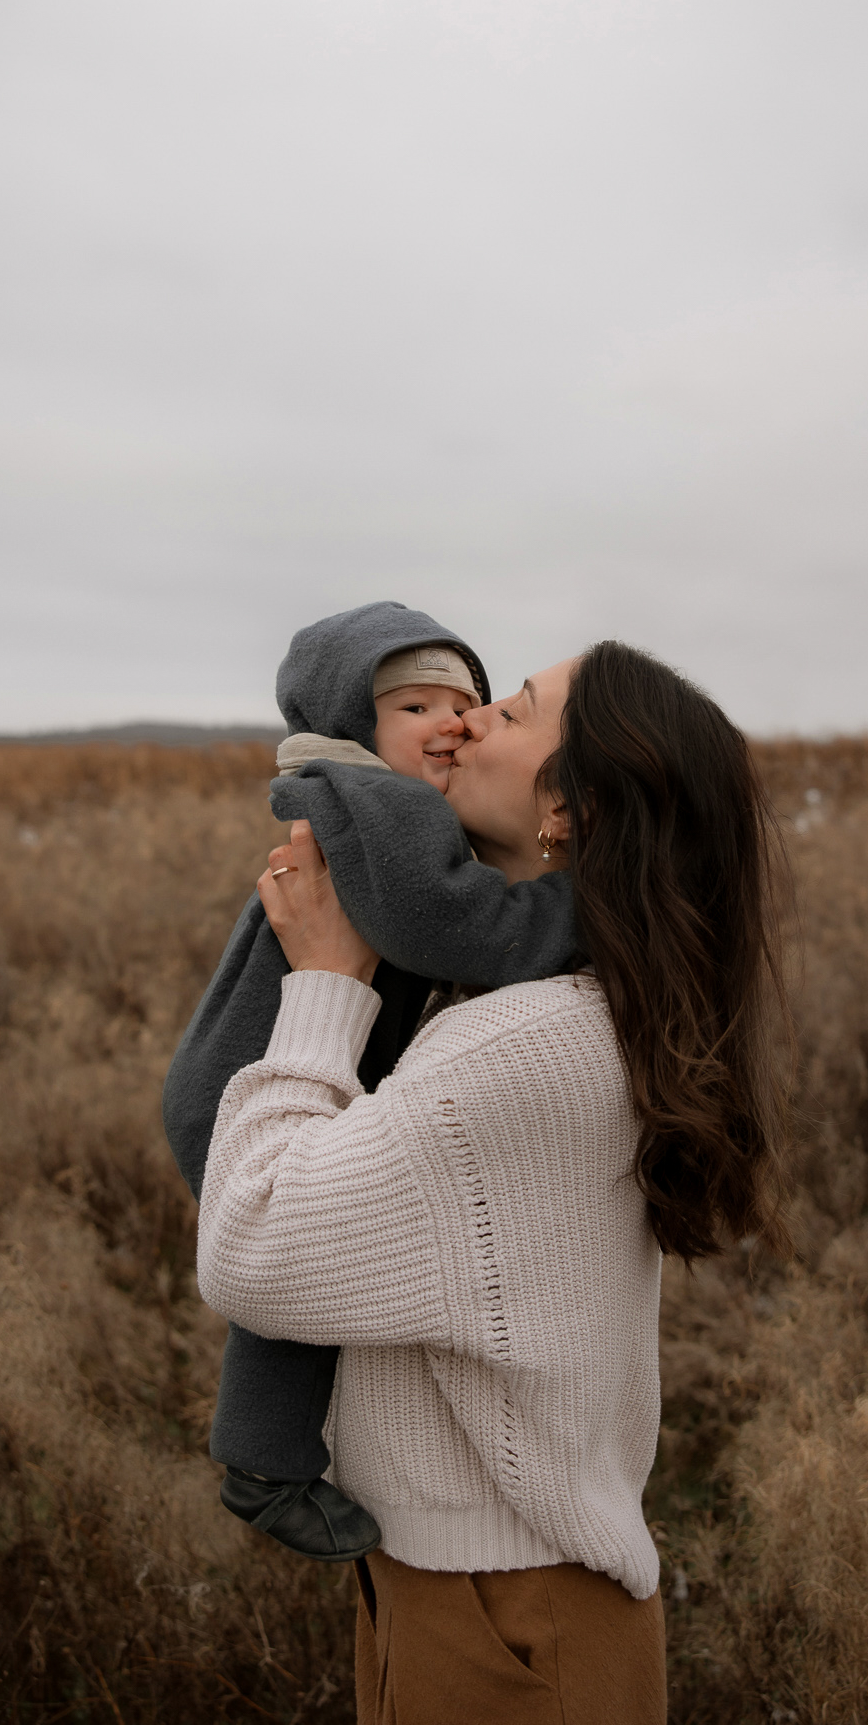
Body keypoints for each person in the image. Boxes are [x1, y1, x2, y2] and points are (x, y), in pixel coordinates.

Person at [197, 640, 794, 1724]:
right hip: (474, 1594)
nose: (466, 720)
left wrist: (325, 986)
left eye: (511, 711)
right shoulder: (561, 1001)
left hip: (505, 1624)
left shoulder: (524, 1045)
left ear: (568, 808)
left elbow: (253, 1249)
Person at [164, 601, 580, 1561]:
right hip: (247, 1079)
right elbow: (446, 926)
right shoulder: (374, 800)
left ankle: (266, 1460)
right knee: (301, 1267)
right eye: (413, 707)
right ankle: (264, 1467)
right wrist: (573, 912)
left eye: (464, 704)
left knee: (309, 1271)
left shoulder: (378, 798)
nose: (450, 724)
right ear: (352, 720)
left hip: (259, 1065)